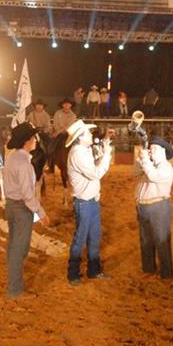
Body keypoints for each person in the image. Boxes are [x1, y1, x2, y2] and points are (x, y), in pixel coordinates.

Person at [3, 122, 50, 298]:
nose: (35, 140)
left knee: (13, 245)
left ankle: (13, 284)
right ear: (26, 141)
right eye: (33, 138)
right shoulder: (23, 163)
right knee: (19, 249)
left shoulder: (11, 158)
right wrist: (41, 213)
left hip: (11, 205)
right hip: (21, 207)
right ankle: (15, 289)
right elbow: (27, 194)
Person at [65, 119, 112, 284]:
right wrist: (107, 154)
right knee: (81, 238)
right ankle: (73, 274)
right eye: (88, 132)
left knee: (94, 236)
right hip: (85, 202)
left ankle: (93, 270)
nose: (91, 134)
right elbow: (95, 173)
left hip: (90, 200)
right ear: (80, 136)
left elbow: (95, 168)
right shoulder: (77, 153)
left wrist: (105, 146)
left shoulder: (83, 151)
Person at [134, 136, 173, 279]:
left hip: (158, 206)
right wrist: (140, 159)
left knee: (161, 240)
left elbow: (153, 176)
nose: (150, 152)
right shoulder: (149, 165)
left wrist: (145, 160)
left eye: (153, 149)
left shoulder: (167, 167)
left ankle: (166, 273)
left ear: (163, 151)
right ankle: (148, 268)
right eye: (150, 149)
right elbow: (134, 172)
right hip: (144, 206)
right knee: (146, 240)